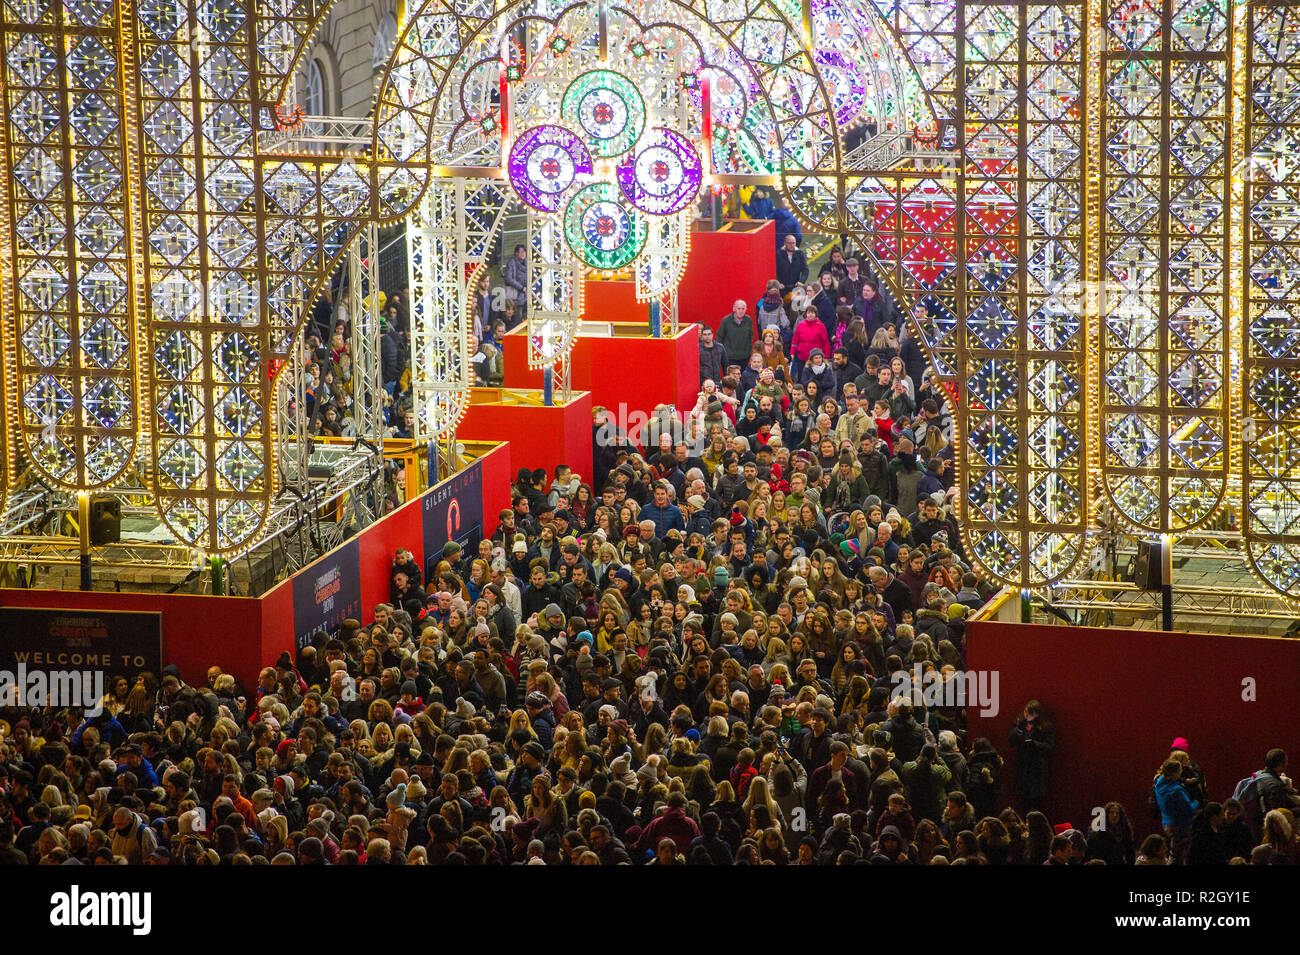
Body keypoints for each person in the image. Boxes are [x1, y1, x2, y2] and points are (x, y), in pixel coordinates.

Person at [1007, 700, 1053, 815]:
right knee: (1023, 801)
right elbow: (1010, 742)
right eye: (1026, 712)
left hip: (1036, 768)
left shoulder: (1044, 726)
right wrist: (1018, 732)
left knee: (1036, 802)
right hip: (1022, 766)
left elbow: (1049, 746)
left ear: (1037, 714)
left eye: (1031, 714)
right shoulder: (1019, 723)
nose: (1027, 716)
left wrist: (1034, 744)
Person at [716, 300, 756, 368]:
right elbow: (719, 337)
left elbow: (750, 336)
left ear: (746, 309)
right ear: (734, 309)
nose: (741, 311)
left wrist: (749, 352)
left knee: (742, 377)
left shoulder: (748, 320)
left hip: (744, 357)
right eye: (739, 308)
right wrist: (722, 354)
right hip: (729, 357)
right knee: (730, 378)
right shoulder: (726, 321)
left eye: (743, 309)